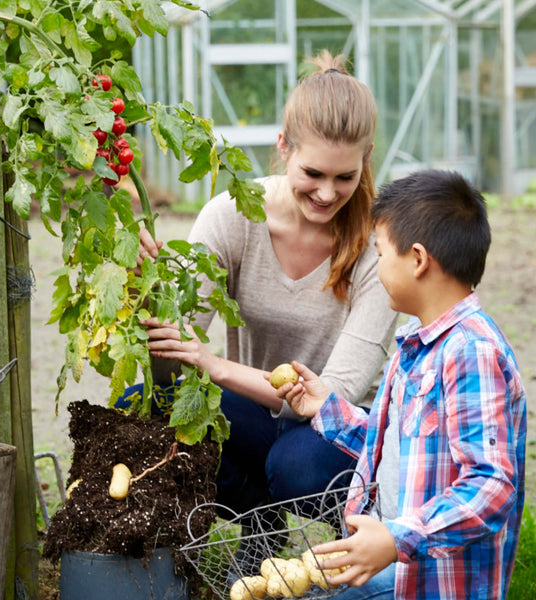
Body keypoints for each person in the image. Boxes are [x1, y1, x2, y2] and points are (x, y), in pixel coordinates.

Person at [128, 50, 397, 539]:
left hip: (331, 435)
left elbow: (332, 397)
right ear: (284, 147)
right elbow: (171, 364)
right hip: (250, 417)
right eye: (313, 174)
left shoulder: (379, 244)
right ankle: (260, 536)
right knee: (150, 402)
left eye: (345, 177)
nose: (326, 193)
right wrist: (153, 298)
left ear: (366, 159)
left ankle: (358, 541)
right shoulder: (233, 215)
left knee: (295, 464)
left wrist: (217, 366)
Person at [279, 169, 527, 600]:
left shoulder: (471, 353)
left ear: (417, 259)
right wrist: (326, 408)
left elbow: (491, 483)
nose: (376, 267)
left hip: (431, 583)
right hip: (396, 571)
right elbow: (397, 445)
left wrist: (396, 539)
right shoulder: (417, 345)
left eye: (379, 254)